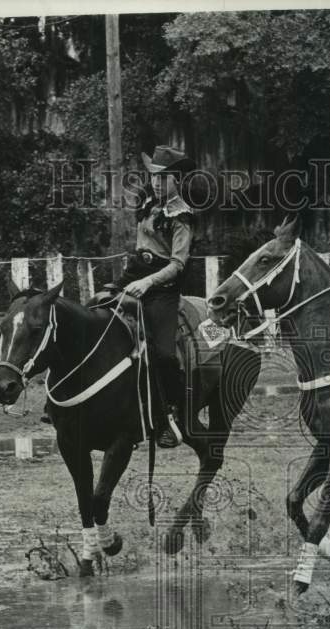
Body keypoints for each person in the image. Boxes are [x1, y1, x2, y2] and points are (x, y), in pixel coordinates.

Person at [115, 145, 199, 448]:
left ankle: (170, 417)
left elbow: (178, 265)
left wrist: (148, 282)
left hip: (162, 287)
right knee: (94, 307)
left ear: (177, 180)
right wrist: (132, 276)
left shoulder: (183, 215)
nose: (157, 184)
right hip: (135, 272)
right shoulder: (149, 203)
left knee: (162, 353)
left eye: (164, 179)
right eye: (155, 178)